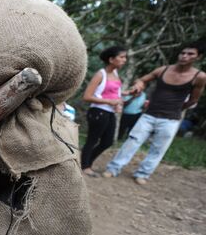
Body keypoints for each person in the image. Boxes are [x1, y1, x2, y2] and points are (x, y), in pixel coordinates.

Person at [104, 42, 206, 184]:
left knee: (158, 148)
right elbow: (142, 79)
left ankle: (143, 174)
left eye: (190, 54)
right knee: (132, 141)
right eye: (183, 53)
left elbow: (194, 100)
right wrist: (139, 84)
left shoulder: (199, 77)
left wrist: (177, 108)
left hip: (171, 119)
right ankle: (113, 168)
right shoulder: (163, 70)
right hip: (149, 115)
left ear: (198, 57)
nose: (184, 56)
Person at [80, 45, 127, 177]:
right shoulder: (100, 74)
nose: (124, 60)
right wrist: (110, 102)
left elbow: (113, 92)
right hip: (98, 112)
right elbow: (87, 96)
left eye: (125, 57)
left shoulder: (116, 74)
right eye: (122, 57)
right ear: (111, 59)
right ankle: (85, 166)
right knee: (92, 139)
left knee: (108, 141)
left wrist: (119, 101)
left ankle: (87, 162)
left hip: (110, 112)